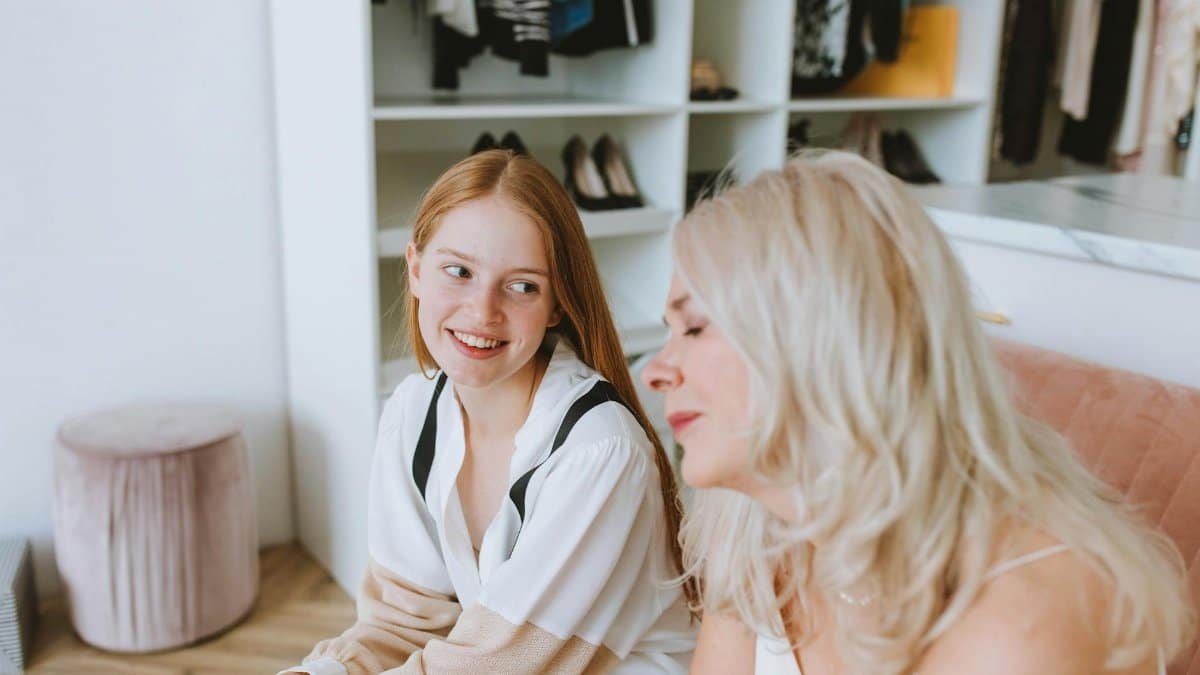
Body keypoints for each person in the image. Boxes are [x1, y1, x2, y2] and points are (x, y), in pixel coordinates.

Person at [642, 150, 1195, 675]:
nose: (657, 372)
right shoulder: (751, 526)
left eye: (693, 327)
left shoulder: (1023, 617)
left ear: (817, 338)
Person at [281, 149, 696, 675]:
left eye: (522, 286)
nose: (483, 311)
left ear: (557, 305)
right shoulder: (412, 413)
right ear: (414, 270)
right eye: (458, 271)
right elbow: (404, 621)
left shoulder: (599, 449)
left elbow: (503, 662)